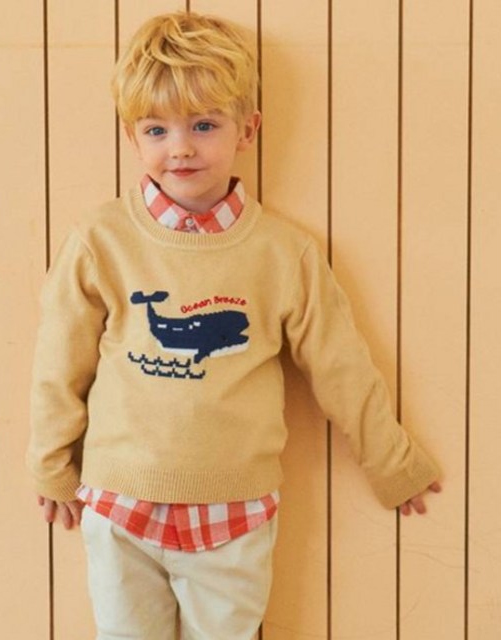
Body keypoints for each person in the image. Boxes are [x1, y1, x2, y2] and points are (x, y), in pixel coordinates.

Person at [27, 11, 441, 640]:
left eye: (204, 125)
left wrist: (392, 462)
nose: (180, 147)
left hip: (235, 512)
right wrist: (50, 463)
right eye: (157, 129)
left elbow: (341, 367)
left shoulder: (284, 253)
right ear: (132, 137)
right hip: (119, 503)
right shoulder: (99, 241)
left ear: (247, 129)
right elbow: (59, 362)